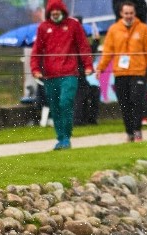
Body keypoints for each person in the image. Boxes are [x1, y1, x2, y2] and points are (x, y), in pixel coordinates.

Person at [30, 0, 94, 150]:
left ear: (63, 11)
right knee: (55, 107)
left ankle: (66, 137)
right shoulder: (43, 28)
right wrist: (35, 69)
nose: (55, 14)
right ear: (49, 13)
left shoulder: (73, 25)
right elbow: (36, 51)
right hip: (50, 75)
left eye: (57, 11)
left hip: (69, 73)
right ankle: (60, 138)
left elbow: (83, 46)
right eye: (52, 12)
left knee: (66, 103)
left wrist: (88, 65)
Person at [97, 0, 147, 142]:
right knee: (124, 104)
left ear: (135, 13)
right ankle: (129, 132)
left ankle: (137, 131)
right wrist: (101, 67)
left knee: (137, 101)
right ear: (121, 14)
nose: (129, 16)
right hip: (121, 72)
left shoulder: (143, 29)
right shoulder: (114, 29)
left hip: (138, 71)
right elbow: (108, 51)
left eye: (131, 13)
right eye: (126, 13)